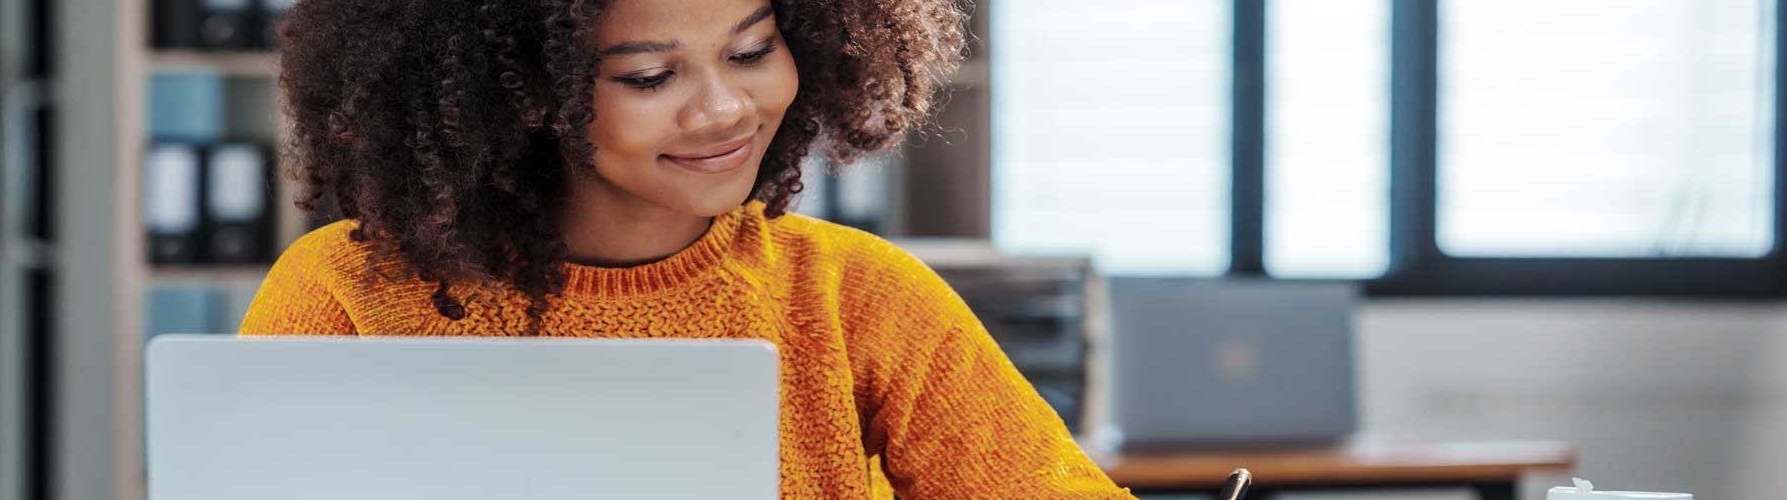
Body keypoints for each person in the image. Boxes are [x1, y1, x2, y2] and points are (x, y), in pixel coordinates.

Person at [241, 0, 1134, 497]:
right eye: (650, 77)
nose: (724, 110)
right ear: (524, 92)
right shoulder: (344, 293)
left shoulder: (858, 296)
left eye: (752, 51)